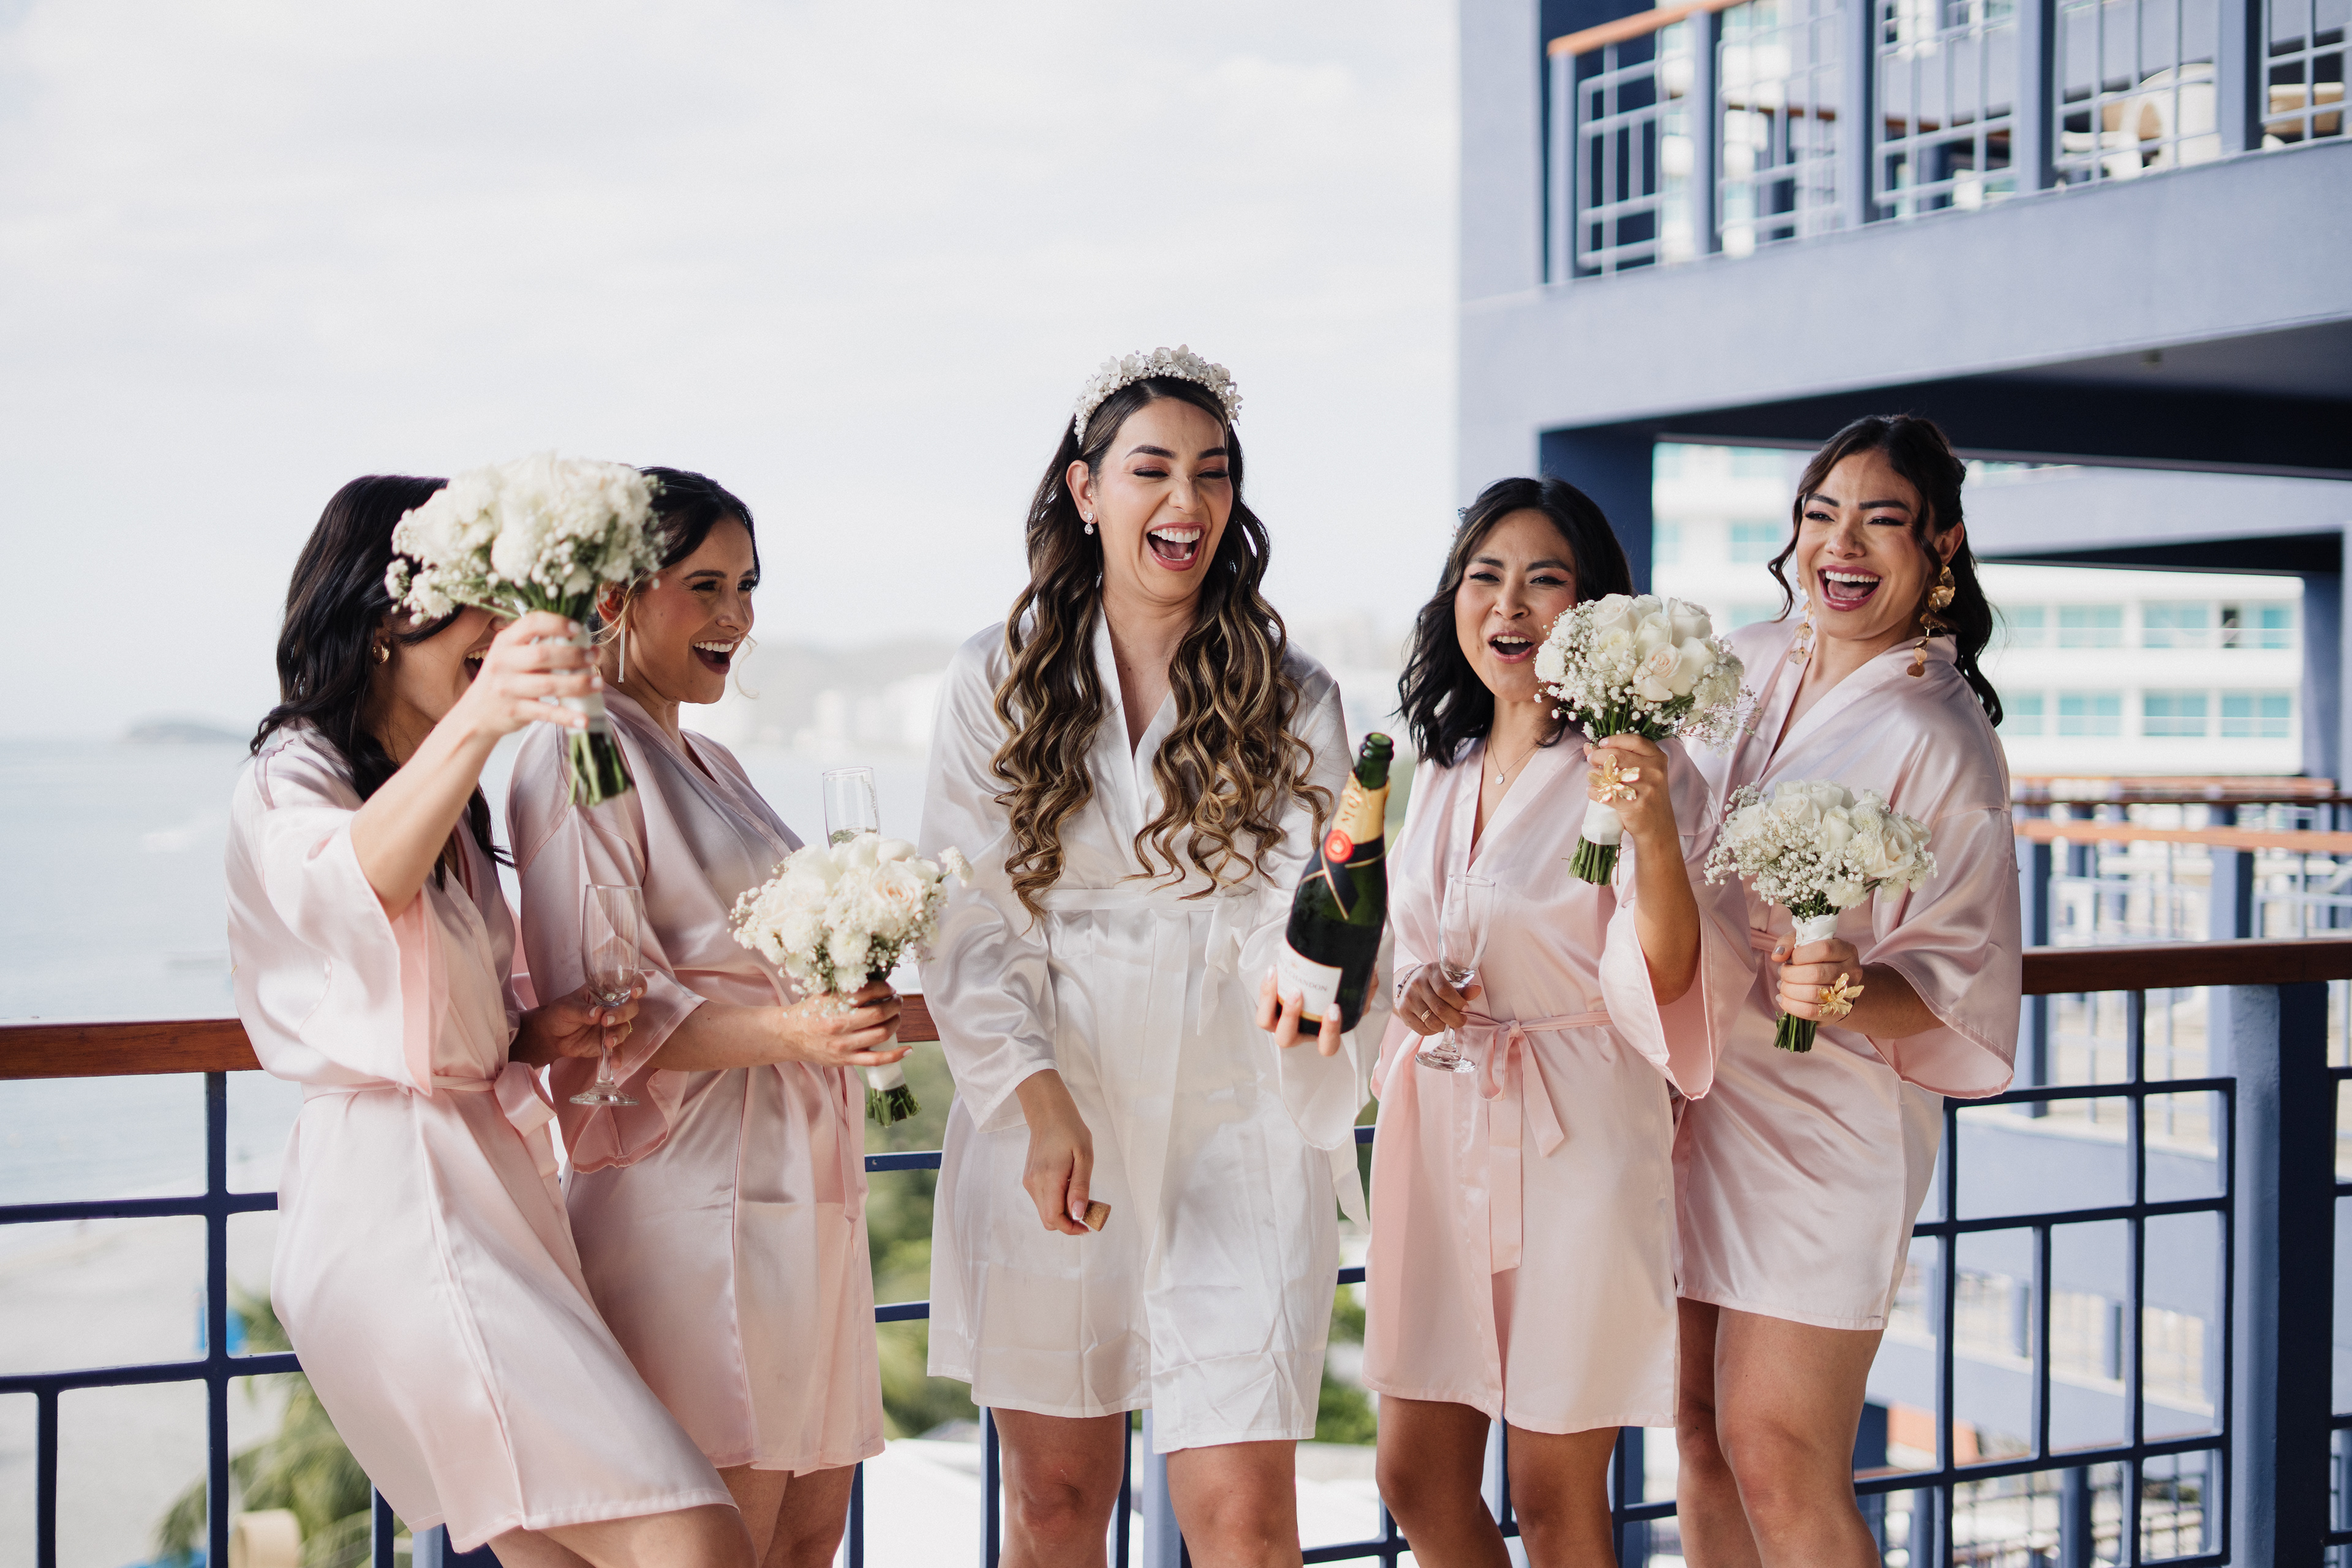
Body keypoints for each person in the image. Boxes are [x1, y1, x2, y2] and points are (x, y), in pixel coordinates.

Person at [227, 475, 751, 1565]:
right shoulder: (295, 773)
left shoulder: (439, 788)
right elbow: (348, 887)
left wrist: (528, 1033)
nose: (504, 627)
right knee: (693, 1535)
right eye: (479, 601)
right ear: (385, 618)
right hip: (402, 1207)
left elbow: (418, 989)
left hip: (485, 1190)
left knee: (556, 1552)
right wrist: (480, 719)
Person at [919, 349, 1374, 1568]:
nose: (1187, 500)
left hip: (1238, 1105)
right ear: (1086, 489)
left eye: (1213, 473)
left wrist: (1308, 981)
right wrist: (1035, 1097)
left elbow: (1307, 903)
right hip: (1053, 1090)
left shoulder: (1294, 691)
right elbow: (966, 918)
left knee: (1245, 1519)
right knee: (1058, 1505)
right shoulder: (992, 676)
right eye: (1152, 469)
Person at [507, 469, 901, 1568]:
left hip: (799, 1178)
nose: (737, 615)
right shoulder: (580, 749)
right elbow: (599, 1011)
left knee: (811, 1531)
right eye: (706, 585)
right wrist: (796, 1033)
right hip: (691, 1196)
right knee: (731, 1529)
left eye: (748, 586)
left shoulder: (711, 759)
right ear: (615, 597)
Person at [1353, 477, 1737, 1567]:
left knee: (1554, 1493)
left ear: (1592, 611)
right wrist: (1417, 987)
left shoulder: (1638, 770)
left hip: (1577, 1138)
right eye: (1485, 576)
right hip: (1443, 1134)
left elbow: (1669, 972)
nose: (1509, 604)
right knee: (1416, 1473)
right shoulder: (1444, 766)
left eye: (1544, 580)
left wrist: (1651, 828)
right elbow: (1413, 941)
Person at [1673, 416, 2021, 1567]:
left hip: (1826, 1127)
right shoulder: (1744, 661)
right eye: (1823, 514)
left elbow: (1961, 974)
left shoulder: (1940, 733)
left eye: (1883, 520)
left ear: (1942, 545)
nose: (1843, 543)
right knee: (1701, 1440)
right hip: (1700, 1093)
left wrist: (1849, 986)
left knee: (1779, 1454)